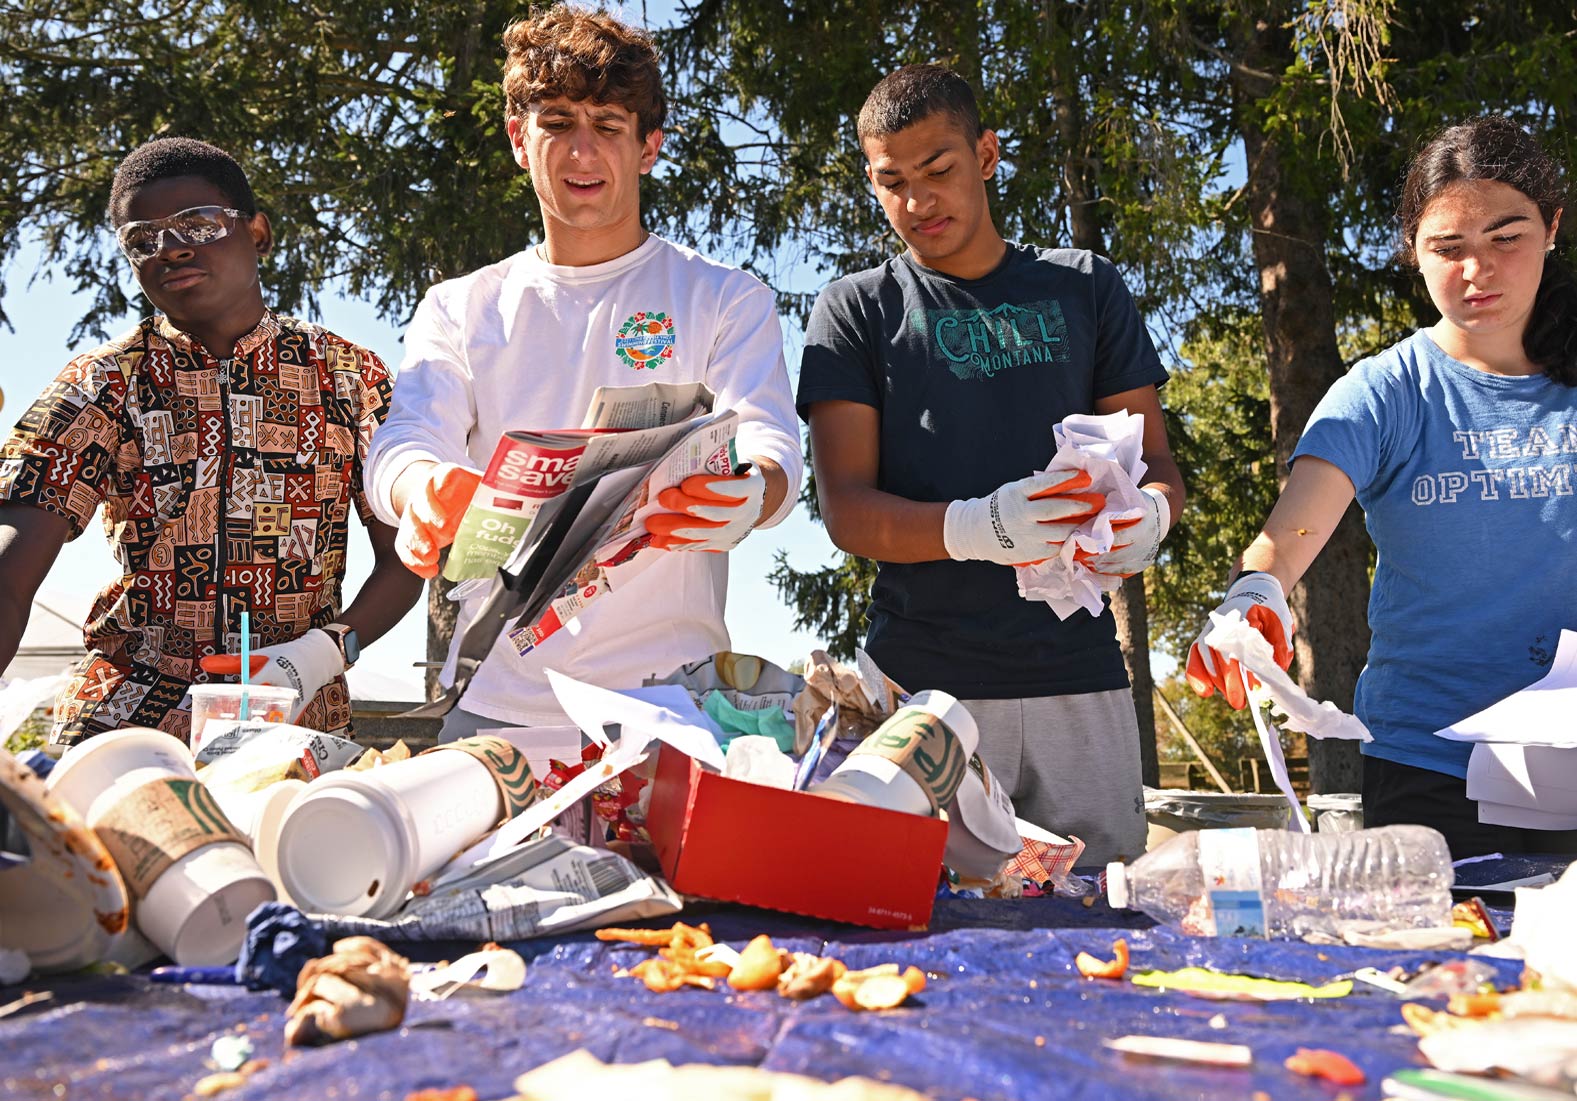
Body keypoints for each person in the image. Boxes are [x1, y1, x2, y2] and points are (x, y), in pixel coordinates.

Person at [364, 4, 802, 738]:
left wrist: (752, 493)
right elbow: (404, 440)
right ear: (517, 139)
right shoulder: (460, 305)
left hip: (673, 711)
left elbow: (770, 441)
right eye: (557, 122)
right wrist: (418, 490)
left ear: (648, 147)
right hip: (493, 712)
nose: (581, 152)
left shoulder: (723, 296)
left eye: (607, 125)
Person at [795, 64, 1186, 866]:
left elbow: (1156, 467)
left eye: (937, 170)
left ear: (986, 154)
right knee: (908, 912)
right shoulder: (857, 308)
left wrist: (1147, 520)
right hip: (919, 685)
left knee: (1100, 917)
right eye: (890, 182)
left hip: (1079, 680)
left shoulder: (1084, 287)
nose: (917, 202)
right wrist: (982, 526)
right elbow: (846, 509)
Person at [1187, 116, 1577, 858]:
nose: (1477, 270)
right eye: (1447, 247)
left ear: (1551, 227)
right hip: (1431, 776)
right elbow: (1289, 532)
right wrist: (1254, 597)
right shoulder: (1383, 392)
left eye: (1506, 237)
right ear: (1412, 250)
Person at [0, 137, 423, 745]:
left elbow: (407, 554)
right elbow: (10, 574)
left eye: (196, 224)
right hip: (128, 723)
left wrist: (326, 651)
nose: (170, 249)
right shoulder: (104, 382)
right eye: (142, 239)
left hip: (297, 723)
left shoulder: (349, 375)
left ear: (258, 233)